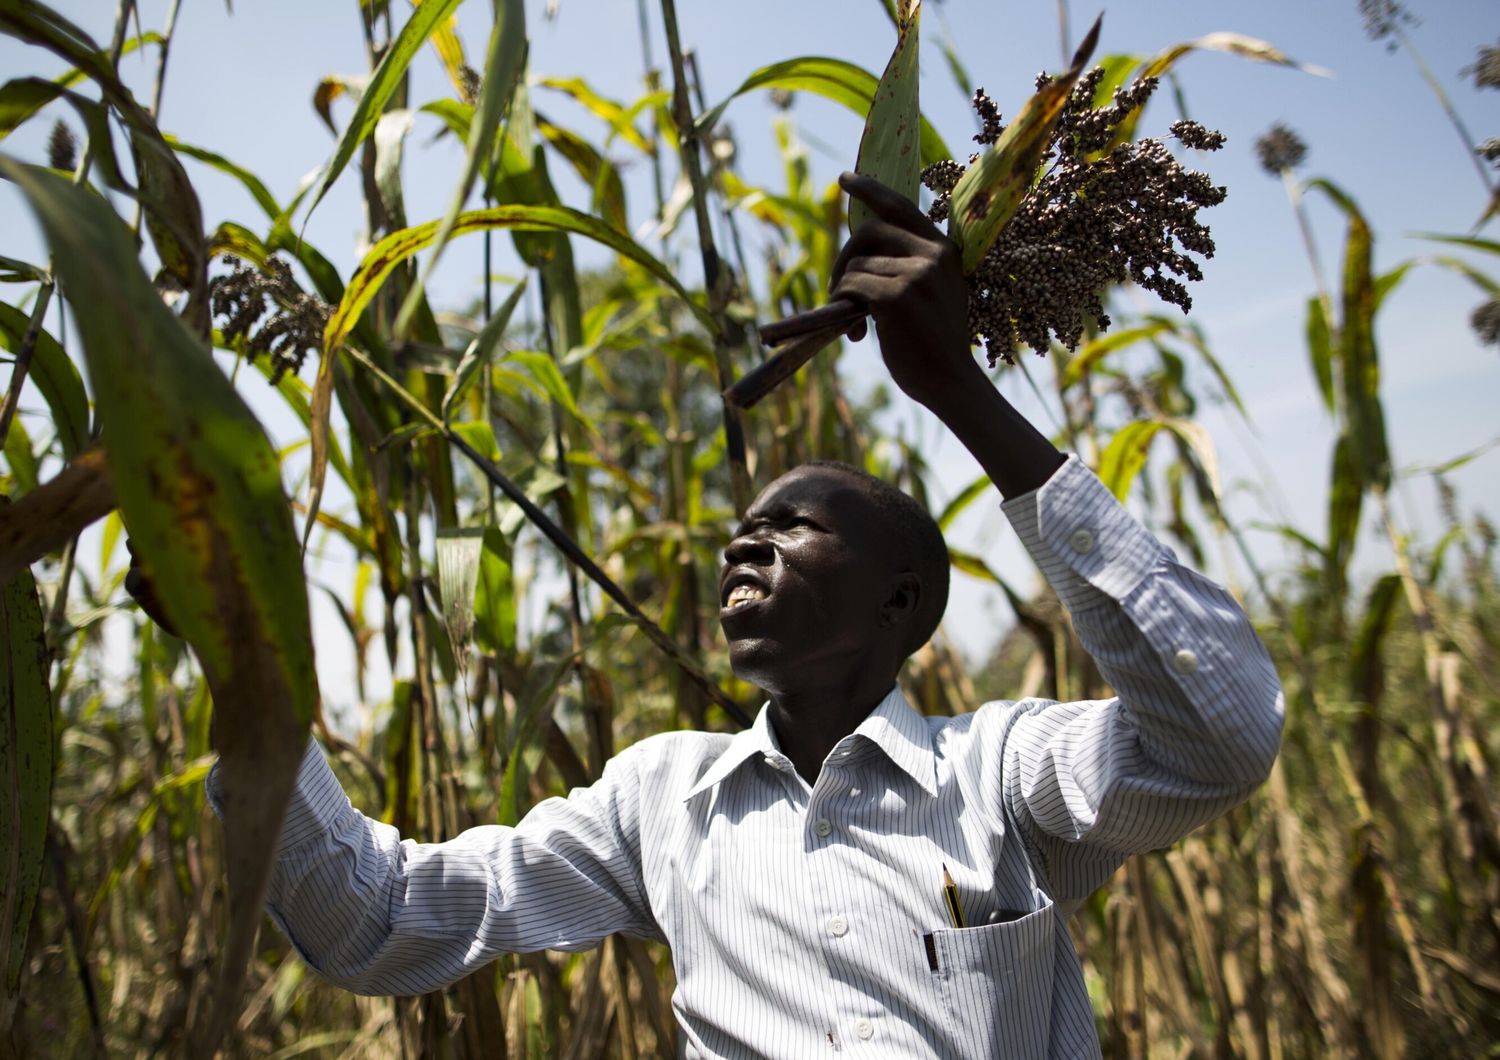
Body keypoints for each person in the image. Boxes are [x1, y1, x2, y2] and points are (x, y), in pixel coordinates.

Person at [179, 173, 1283, 1058]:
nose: (742, 543)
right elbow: (373, 920)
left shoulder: (998, 772)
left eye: (795, 524)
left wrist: (959, 390)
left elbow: (1220, 735)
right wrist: (240, 665)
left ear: (901, 601)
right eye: (739, 531)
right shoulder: (660, 801)